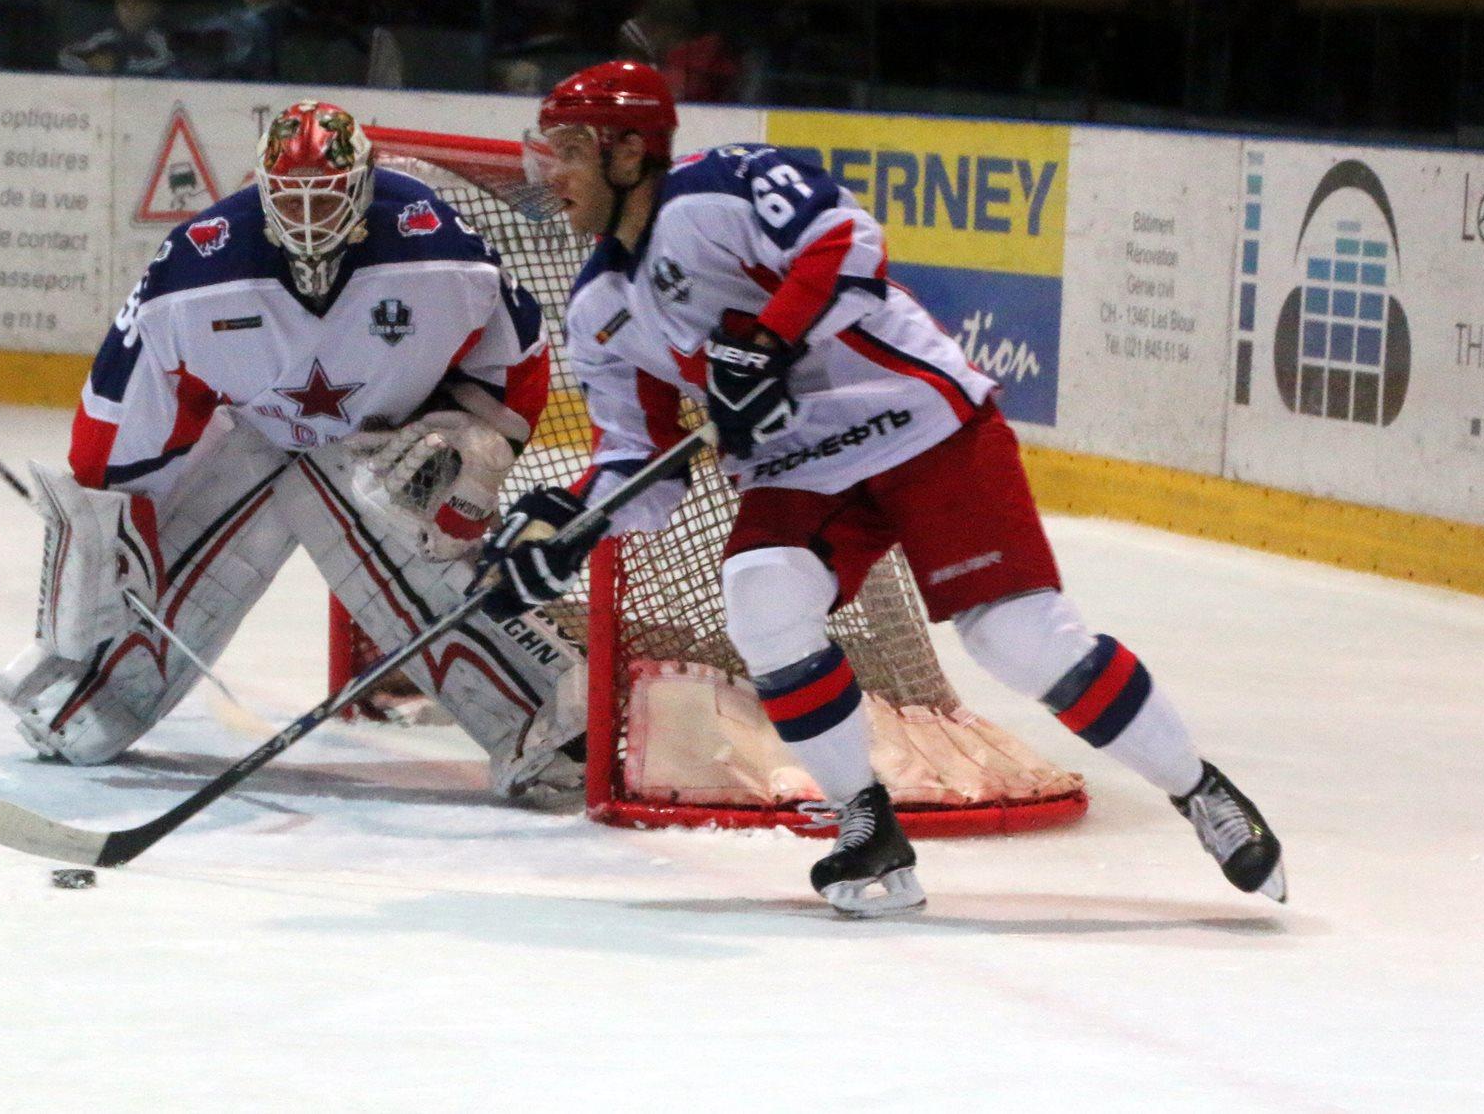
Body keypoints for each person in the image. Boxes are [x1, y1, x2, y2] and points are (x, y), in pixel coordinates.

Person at [481, 61, 1286, 915]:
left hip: (917, 417)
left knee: (1019, 639)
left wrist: (769, 337)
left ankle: (1200, 789)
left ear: (631, 151)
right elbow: (642, 462)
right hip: (801, 463)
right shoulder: (600, 306)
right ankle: (869, 829)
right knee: (761, 597)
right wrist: (570, 523)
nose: (548, 174)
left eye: (570, 150)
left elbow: (845, 241)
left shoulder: (717, 190)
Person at [0, 100, 586, 805]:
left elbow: (516, 353)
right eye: (290, 196)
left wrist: (479, 438)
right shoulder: (199, 264)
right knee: (76, 714)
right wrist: (112, 530)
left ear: (363, 184)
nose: (309, 216)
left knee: (417, 535)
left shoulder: (436, 244)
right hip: (250, 441)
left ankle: (545, 719)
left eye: (327, 195)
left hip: (381, 456)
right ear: (260, 186)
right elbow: (126, 403)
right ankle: (86, 689)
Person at [57, 0, 176, 76]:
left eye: (139, 2)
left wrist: (119, 66)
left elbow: (168, 61)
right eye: (123, 2)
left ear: (155, 8)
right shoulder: (107, 35)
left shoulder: (159, 38)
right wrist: (91, 64)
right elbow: (66, 55)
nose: (130, 9)